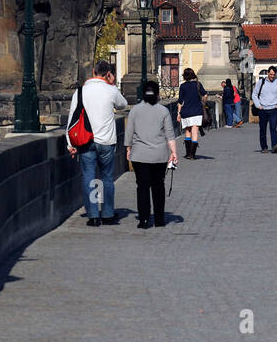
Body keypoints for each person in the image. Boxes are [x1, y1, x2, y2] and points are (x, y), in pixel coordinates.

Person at [66, 60, 128, 225]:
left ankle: (93, 216)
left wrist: (70, 144)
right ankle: (107, 214)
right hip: (106, 141)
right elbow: (123, 105)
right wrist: (113, 84)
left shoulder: (80, 91)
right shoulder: (110, 90)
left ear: (93, 71)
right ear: (108, 74)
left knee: (89, 177)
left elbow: (72, 119)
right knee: (107, 178)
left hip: (86, 141)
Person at [125, 80, 178, 228]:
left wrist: (128, 148)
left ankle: (143, 220)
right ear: (157, 94)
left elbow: (129, 132)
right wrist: (173, 152)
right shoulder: (163, 111)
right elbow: (170, 134)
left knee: (142, 187)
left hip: (139, 155)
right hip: (159, 155)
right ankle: (159, 219)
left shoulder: (135, 110)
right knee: (158, 186)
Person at [251, 65, 277, 153]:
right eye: (271, 74)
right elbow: (254, 94)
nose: (272, 76)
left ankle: (274, 146)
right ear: (268, 73)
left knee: (273, 128)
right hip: (263, 109)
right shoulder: (261, 82)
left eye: (274, 75)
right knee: (263, 129)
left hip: (273, 109)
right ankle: (264, 147)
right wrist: (258, 105)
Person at [178, 67, 207, 158]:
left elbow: (180, 102)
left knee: (188, 130)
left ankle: (187, 153)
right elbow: (205, 95)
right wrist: (203, 102)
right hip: (197, 111)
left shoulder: (183, 86)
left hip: (186, 111)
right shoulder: (198, 84)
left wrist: (179, 113)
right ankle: (192, 154)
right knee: (195, 131)